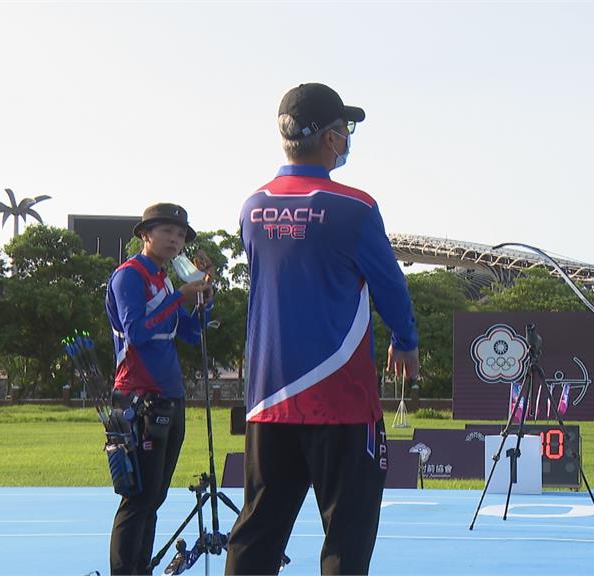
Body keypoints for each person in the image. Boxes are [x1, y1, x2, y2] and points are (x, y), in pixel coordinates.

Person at [225, 83, 420, 575]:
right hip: (341, 402)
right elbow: (390, 286)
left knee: (258, 533)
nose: (349, 139)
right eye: (345, 130)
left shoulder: (252, 208)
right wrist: (406, 341)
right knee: (346, 539)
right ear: (331, 139)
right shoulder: (354, 207)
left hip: (269, 402)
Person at [105, 203, 213, 575]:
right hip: (138, 398)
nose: (175, 239)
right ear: (145, 235)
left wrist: (202, 302)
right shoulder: (129, 276)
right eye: (167, 231)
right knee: (138, 498)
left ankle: (140, 569)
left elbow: (190, 331)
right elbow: (137, 331)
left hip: (169, 396)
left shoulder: (165, 279)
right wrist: (180, 296)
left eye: (180, 234)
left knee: (155, 496)